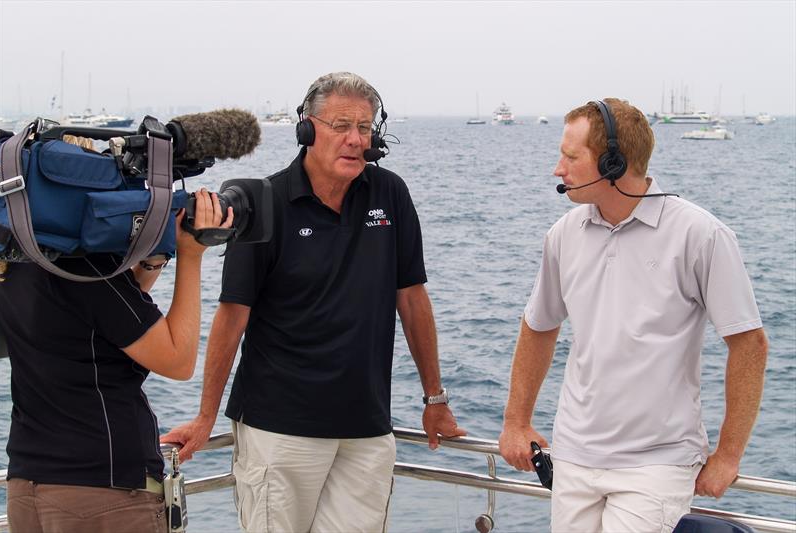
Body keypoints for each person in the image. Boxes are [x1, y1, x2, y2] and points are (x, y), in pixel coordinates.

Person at [162, 72, 466, 533]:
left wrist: (435, 397)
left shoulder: (390, 193)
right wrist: (207, 416)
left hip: (366, 428)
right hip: (278, 431)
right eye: (341, 125)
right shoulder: (264, 201)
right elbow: (232, 317)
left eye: (364, 128)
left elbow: (412, 298)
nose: (354, 139)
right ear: (307, 128)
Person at [499, 98, 768, 533]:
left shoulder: (701, 235)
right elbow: (537, 327)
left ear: (612, 163)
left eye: (570, 157)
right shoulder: (563, 235)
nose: (557, 169)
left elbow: (749, 343)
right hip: (573, 456)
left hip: (656, 465)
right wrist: (516, 422)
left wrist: (729, 454)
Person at [0, 187, 233, 533]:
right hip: (104, 491)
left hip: (29, 486)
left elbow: (101, 322)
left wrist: (151, 262)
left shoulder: (11, 261)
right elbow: (178, 360)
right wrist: (191, 254)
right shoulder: (85, 268)